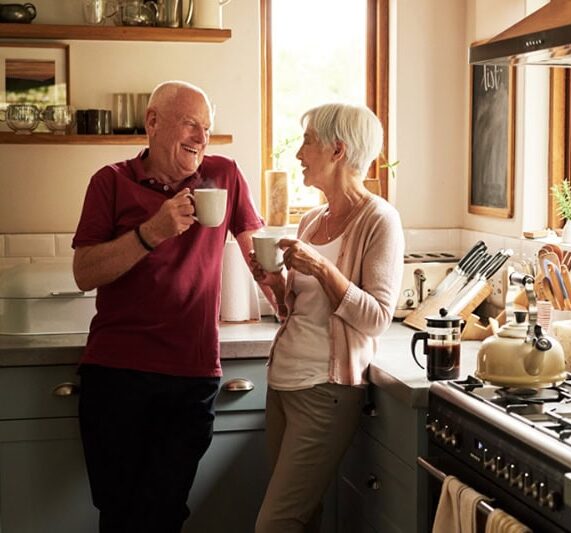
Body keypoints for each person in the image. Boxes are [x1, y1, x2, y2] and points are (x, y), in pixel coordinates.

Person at [71, 80, 265, 533]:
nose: (201, 138)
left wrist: (284, 290)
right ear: (153, 122)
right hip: (117, 373)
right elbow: (84, 273)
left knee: (163, 513)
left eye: (208, 128)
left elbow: (257, 256)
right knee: (119, 514)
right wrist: (151, 232)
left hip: (190, 375)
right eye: (190, 124)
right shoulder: (110, 181)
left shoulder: (225, 175)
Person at [251, 103, 404, 533]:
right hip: (282, 384)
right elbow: (295, 312)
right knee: (303, 518)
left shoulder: (380, 220)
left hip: (326, 392)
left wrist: (320, 267)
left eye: (307, 142)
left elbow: (376, 317)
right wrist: (275, 284)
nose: (299, 153)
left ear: (337, 150)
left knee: (275, 524)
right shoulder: (312, 220)